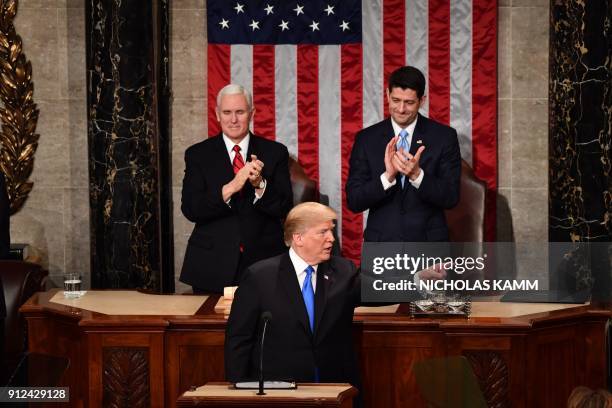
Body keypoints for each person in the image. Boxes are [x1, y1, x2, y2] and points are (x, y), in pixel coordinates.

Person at [224, 202, 446, 388]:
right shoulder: (260, 276)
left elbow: (380, 288)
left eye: (331, 230)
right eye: (323, 232)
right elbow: (239, 339)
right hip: (279, 389)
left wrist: (419, 279)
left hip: (335, 386)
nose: (331, 238)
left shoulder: (342, 271)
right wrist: (238, 388)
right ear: (298, 237)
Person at [180, 84, 293, 294]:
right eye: (227, 112)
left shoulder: (275, 152)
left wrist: (260, 184)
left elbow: (284, 208)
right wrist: (231, 187)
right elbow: (191, 209)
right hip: (211, 262)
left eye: (240, 112)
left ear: (252, 113)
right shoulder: (197, 154)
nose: (233, 120)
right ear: (217, 114)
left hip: (264, 261)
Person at [346, 66, 461, 242]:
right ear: (387, 95)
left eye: (409, 102)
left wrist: (417, 175)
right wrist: (387, 177)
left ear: (422, 100)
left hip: (428, 244)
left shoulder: (444, 137)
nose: (400, 109)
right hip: (382, 245)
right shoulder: (366, 139)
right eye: (395, 100)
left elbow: (451, 197)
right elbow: (354, 201)